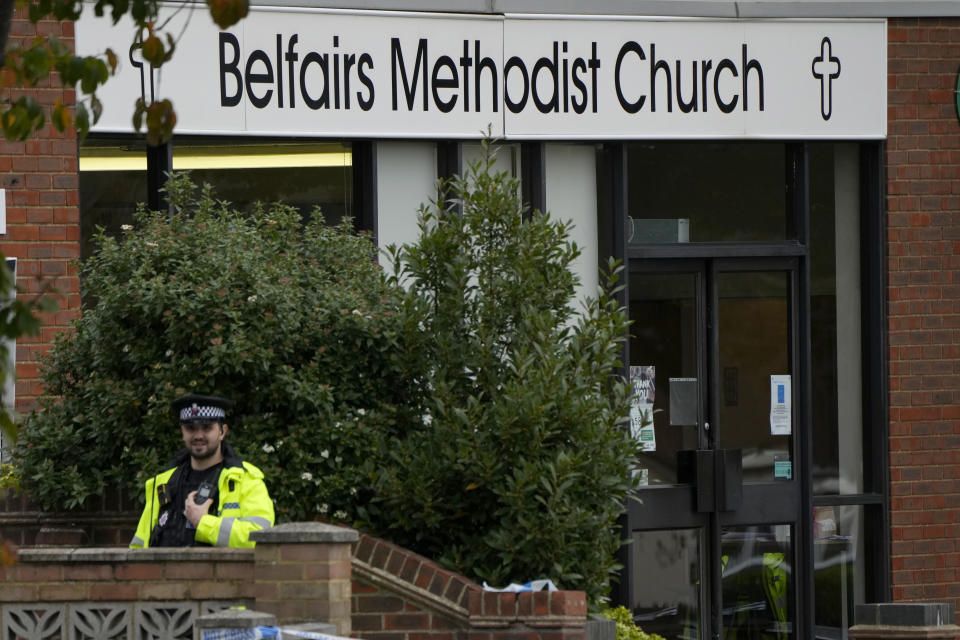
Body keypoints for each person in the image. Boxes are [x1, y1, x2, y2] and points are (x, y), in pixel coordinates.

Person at [130, 394, 274, 548]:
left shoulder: (245, 480)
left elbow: (260, 538)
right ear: (182, 431)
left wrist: (203, 522)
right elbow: (139, 548)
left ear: (222, 432)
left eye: (207, 427)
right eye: (191, 428)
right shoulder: (163, 483)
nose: (198, 435)